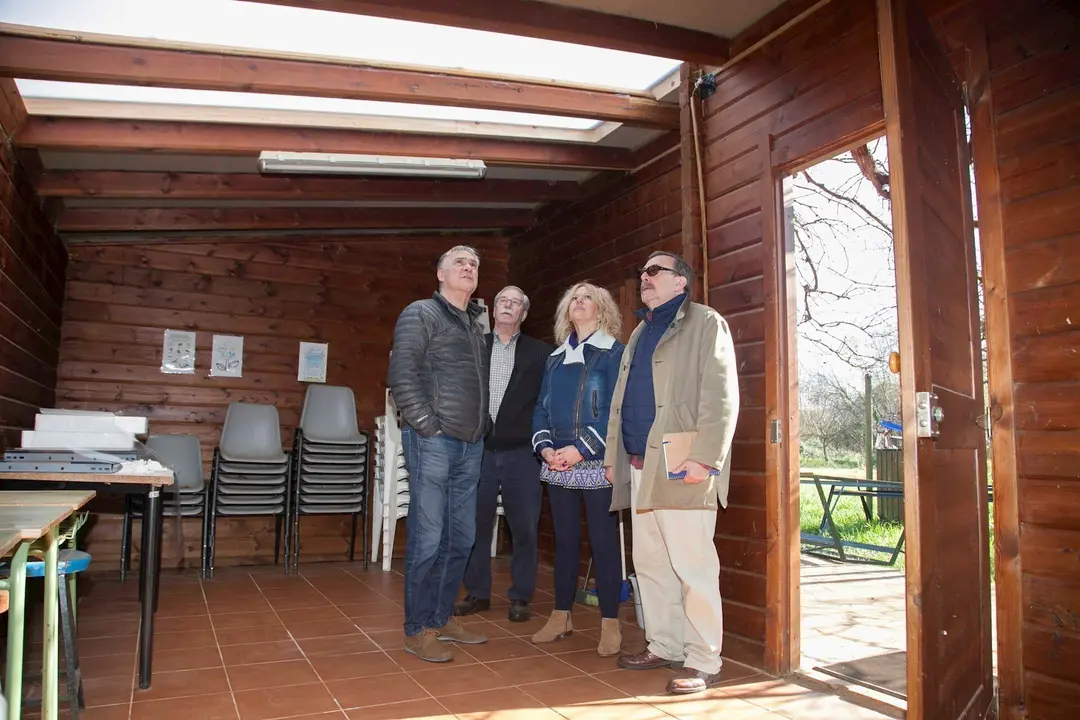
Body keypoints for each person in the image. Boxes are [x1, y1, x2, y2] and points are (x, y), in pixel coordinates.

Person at [603, 251, 739, 694]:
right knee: (652, 562)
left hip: (682, 461)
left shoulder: (705, 322)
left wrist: (706, 457)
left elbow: (721, 396)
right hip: (640, 463)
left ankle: (703, 659)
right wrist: (612, 457)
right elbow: (621, 400)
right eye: (641, 271)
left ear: (681, 282)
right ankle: (664, 643)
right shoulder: (641, 329)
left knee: (692, 564)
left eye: (654, 271)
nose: (644, 277)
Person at [387, 245, 491, 663]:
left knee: (461, 537)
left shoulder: (473, 324)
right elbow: (401, 374)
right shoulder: (420, 313)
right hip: (434, 440)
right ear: (440, 275)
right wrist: (426, 425)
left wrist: (482, 428)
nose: (468, 268)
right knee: (429, 538)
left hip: (471, 443)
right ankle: (415, 630)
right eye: (460, 264)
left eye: (474, 265)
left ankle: (441, 616)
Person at [530, 282, 626, 657]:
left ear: (601, 309)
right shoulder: (554, 358)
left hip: (597, 462)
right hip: (559, 463)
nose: (578, 302)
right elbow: (540, 407)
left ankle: (610, 622)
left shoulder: (615, 353)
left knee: (603, 544)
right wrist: (546, 448)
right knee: (564, 542)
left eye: (586, 297)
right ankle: (560, 615)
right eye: (573, 297)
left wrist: (580, 449)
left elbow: (617, 410)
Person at [456, 286, 553, 622]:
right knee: (475, 526)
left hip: (523, 454)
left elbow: (548, 402)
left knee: (524, 527)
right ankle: (478, 593)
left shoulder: (541, 354)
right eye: (502, 301)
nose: (508, 306)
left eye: (516, 303)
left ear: (524, 314)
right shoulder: (475, 347)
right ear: (493, 310)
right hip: (478, 451)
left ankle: (521, 596)